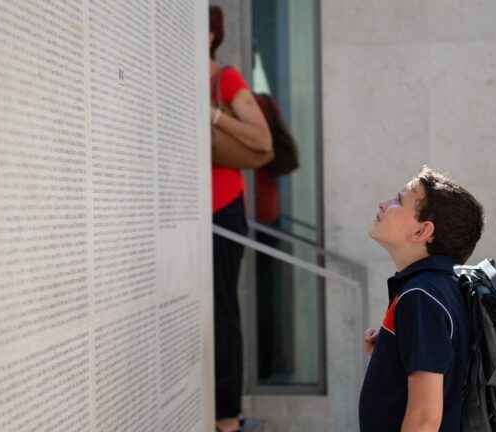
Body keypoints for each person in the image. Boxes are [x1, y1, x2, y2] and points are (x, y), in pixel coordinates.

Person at [359, 166, 484, 432]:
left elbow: (425, 418)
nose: (383, 204)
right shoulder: (441, 287)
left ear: (421, 232)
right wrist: (392, 350)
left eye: (398, 200)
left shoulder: (421, 296)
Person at [208, 6, 272, 432]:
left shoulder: (224, 79)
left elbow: (262, 140)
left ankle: (227, 417)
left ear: (211, 35)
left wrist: (213, 114)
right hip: (189, 217)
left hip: (222, 211)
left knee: (223, 312)